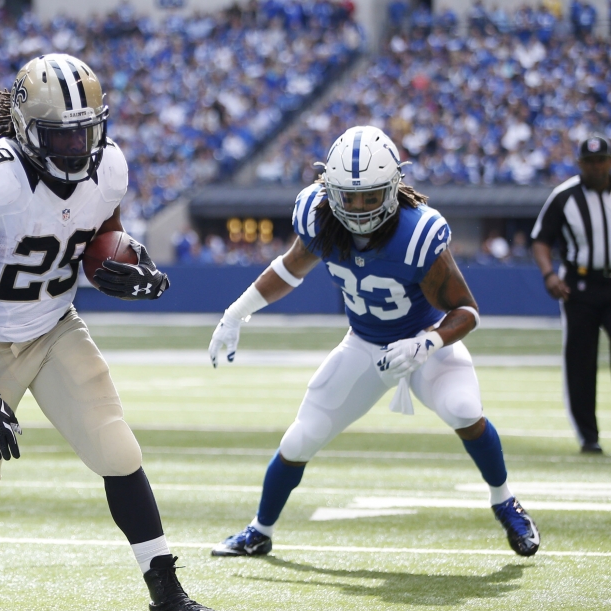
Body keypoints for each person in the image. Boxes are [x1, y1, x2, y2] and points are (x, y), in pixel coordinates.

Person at [0, 53, 231, 611]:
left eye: (86, 132)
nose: (78, 148)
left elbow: (98, 238)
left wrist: (128, 266)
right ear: (28, 132)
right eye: (62, 137)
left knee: (117, 449)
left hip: (55, 326)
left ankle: (166, 593)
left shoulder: (108, 168)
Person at [208, 126, 540, 560]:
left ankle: (505, 501)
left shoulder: (417, 233)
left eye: (370, 196)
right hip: (364, 345)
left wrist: (427, 343)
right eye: (349, 196)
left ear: (394, 188)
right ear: (329, 188)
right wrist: (237, 312)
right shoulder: (318, 215)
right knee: (299, 439)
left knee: (464, 410)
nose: (360, 207)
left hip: (422, 345)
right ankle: (259, 531)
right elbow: (290, 269)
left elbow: (467, 311)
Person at [531, 134, 611, 454]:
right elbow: (541, 240)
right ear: (579, 164)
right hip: (579, 287)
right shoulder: (564, 197)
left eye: (601, 161)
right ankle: (588, 437)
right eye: (589, 162)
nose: (595, 167)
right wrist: (549, 274)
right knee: (580, 361)